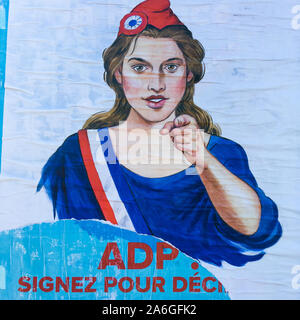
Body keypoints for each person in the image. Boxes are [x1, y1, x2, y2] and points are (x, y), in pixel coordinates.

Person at [37, 0, 282, 267]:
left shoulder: (220, 153)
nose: (156, 85)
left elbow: (253, 230)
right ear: (119, 73)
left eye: (171, 67)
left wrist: (201, 159)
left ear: (189, 74)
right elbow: (60, 247)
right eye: (140, 67)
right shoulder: (81, 153)